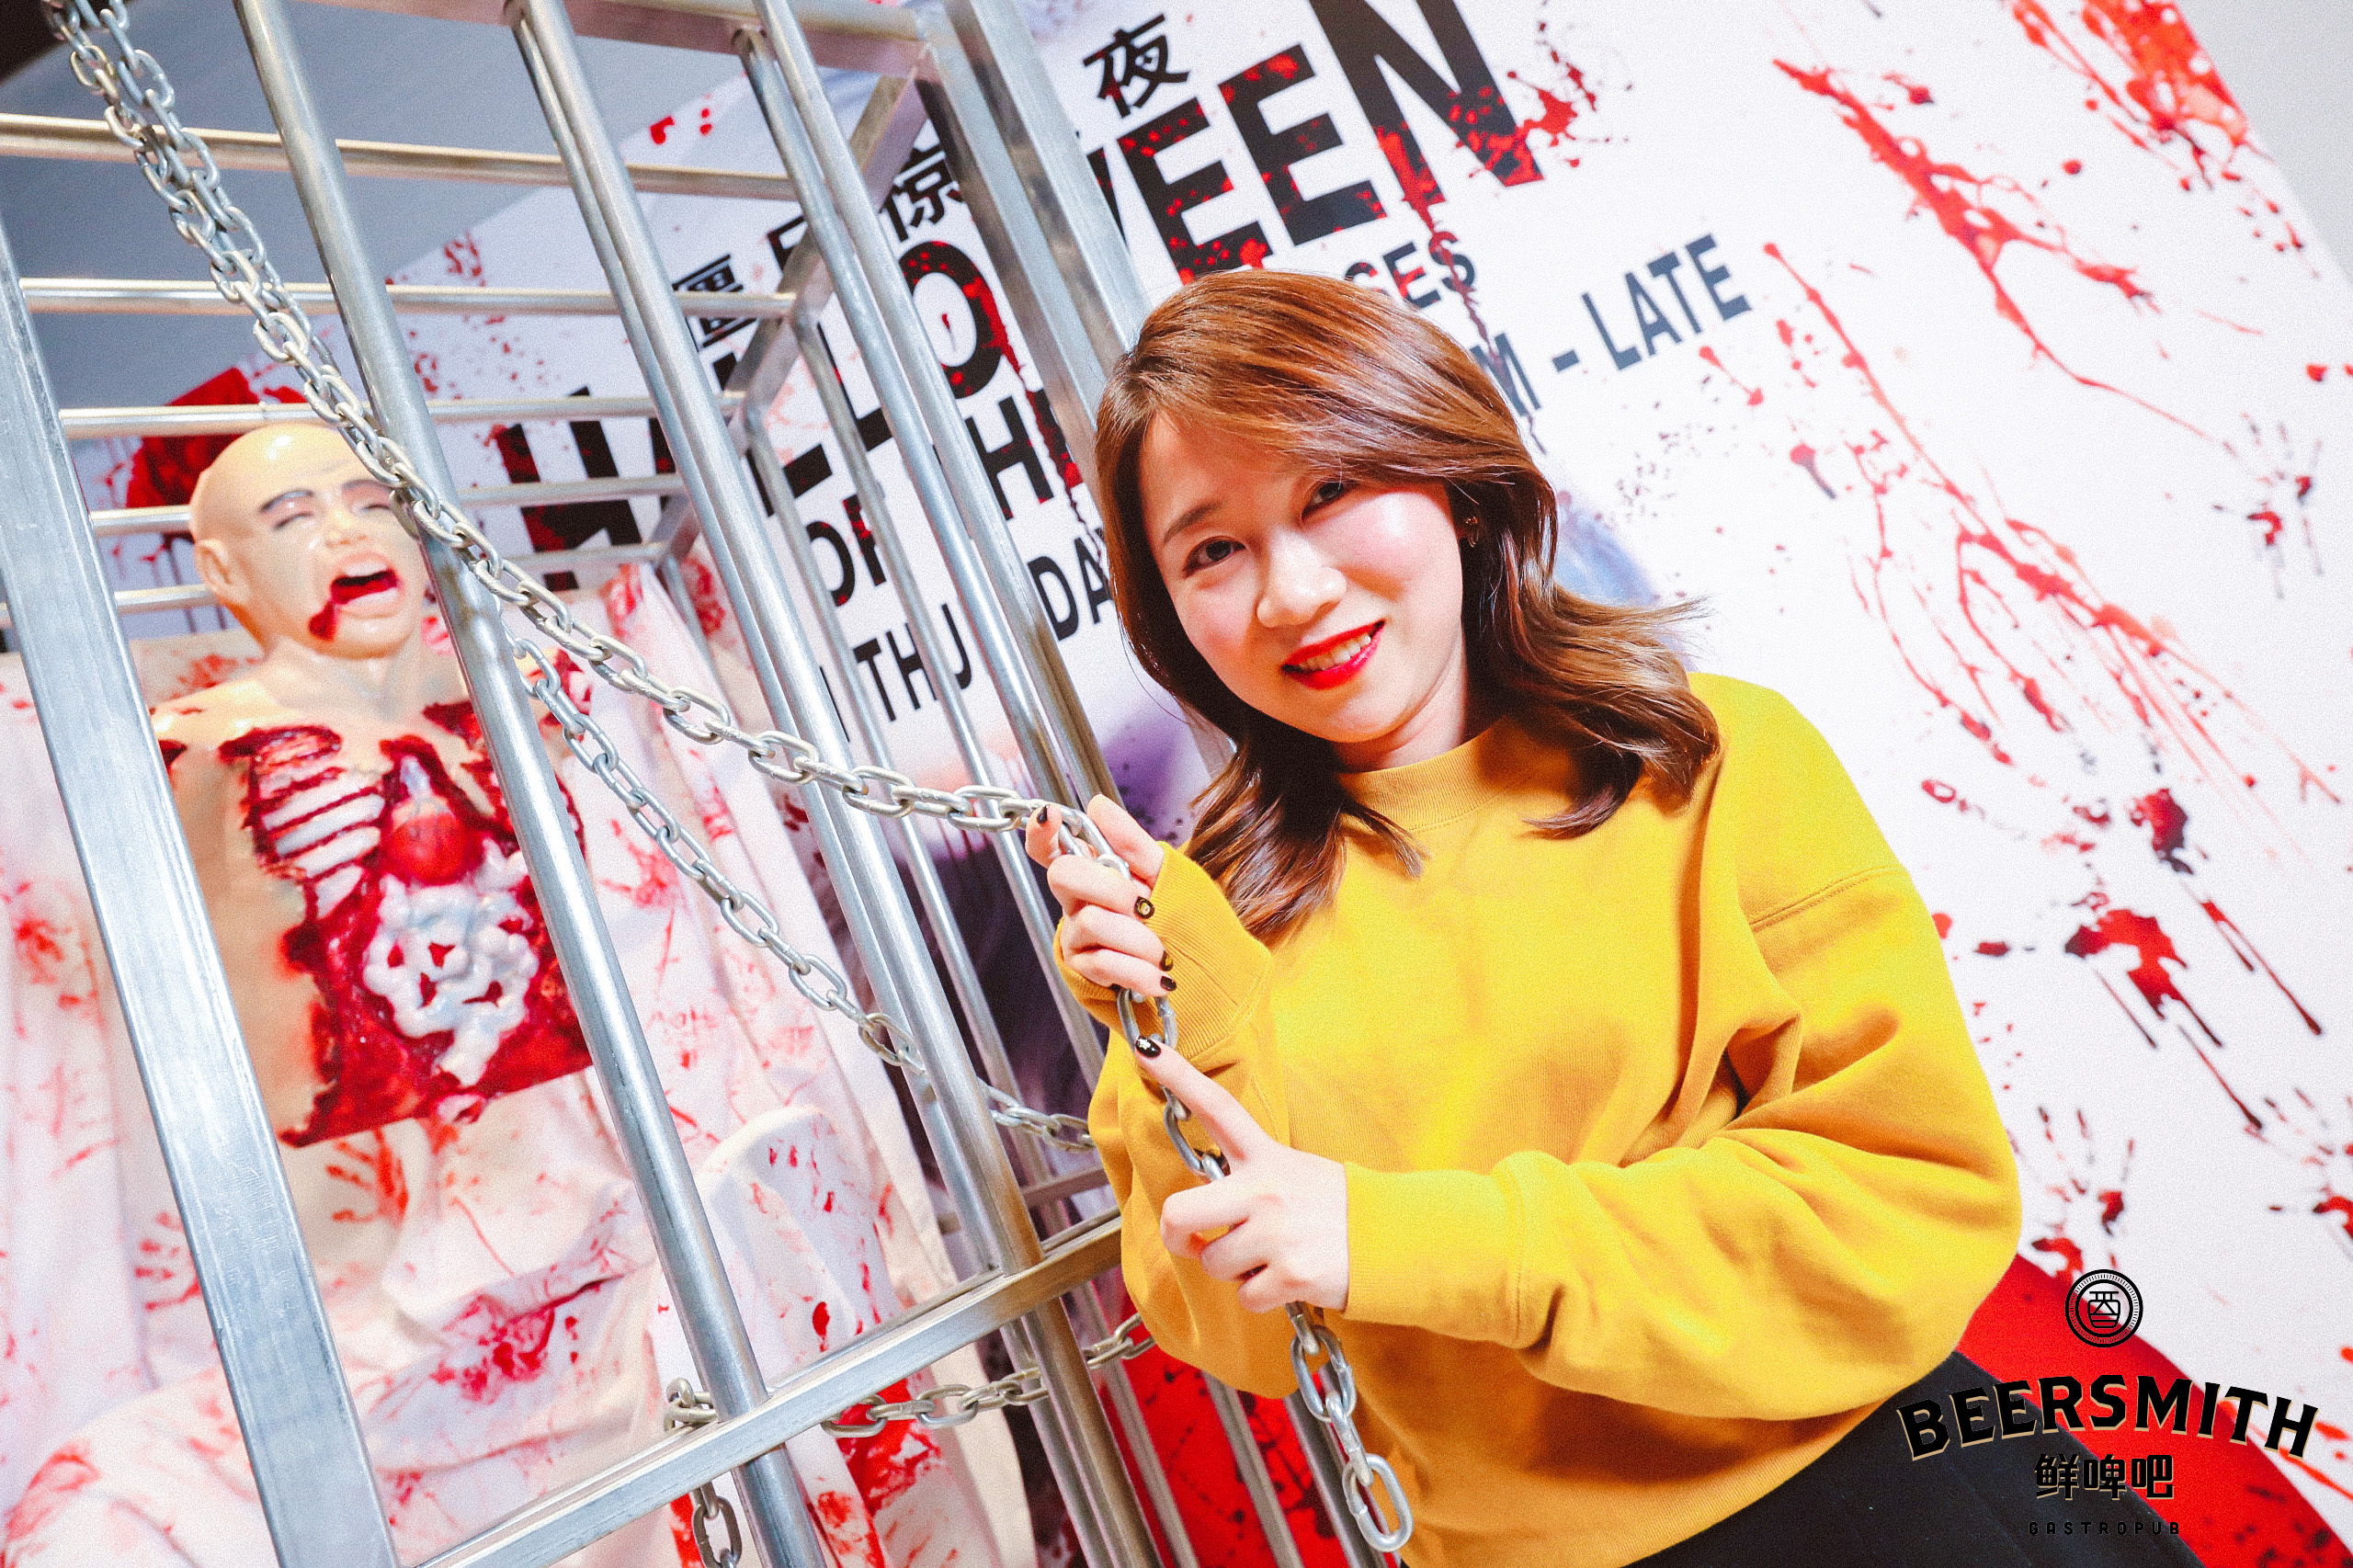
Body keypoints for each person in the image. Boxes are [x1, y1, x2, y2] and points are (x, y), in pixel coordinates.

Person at [1026, 271, 2198, 1568]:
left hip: (1892, 1506)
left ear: (1455, 484)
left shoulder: (1707, 761)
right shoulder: (1213, 915)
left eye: (1332, 489)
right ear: (1170, 615)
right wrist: (1193, 1038)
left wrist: (1416, 1239)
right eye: (1212, 551)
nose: (1292, 592)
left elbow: (1912, 1206)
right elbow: (1247, 1337)